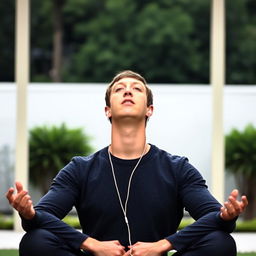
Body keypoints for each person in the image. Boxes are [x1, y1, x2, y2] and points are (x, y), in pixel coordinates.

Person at [6, 70, 248, 256]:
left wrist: (162, 246)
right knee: (35, 241)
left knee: (220, 243)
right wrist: (92, 245)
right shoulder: (80, 168)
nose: (128, 91)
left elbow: (214, 216)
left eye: (137, 89)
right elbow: (42, 216)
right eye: (119, 89)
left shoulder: (177, 168)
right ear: (107, 110)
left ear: (150, 109)